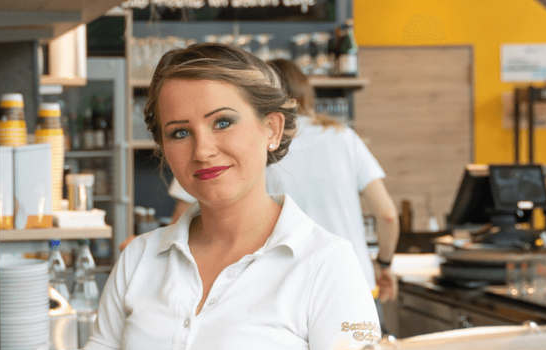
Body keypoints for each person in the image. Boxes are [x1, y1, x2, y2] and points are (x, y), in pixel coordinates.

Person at [73, 43, 381, 350]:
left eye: (222, 122)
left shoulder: (327, 265)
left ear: (271, 128)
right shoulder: (139, 260)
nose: (202, 149)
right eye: (180, 132)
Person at [168, 60, 400, 303]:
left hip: (283, 288)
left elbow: (180, 227)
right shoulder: (343, 137)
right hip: (353, 280)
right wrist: (383, 263)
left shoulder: (247, 139)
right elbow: (387, 215)